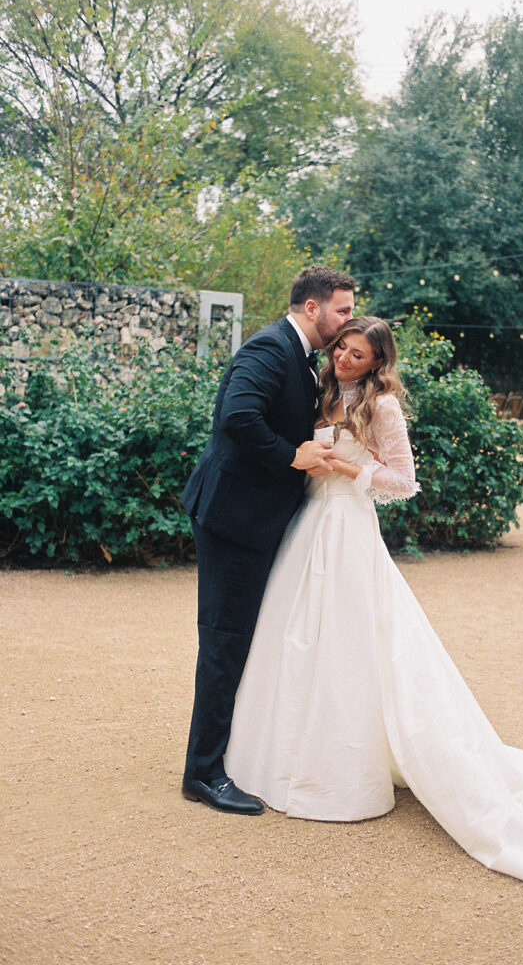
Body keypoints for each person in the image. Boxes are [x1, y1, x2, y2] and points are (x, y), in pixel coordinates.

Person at [225, 316, 523, 894]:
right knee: (293, 635)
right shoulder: (318, 386)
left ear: (376, 362)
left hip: (348, 525)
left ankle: (342, 769)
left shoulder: (382, 406)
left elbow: (402, 480)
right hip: (308, 524)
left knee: (350, 643)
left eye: (357, 354)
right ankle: (279, 757)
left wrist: (342, 466)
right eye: (342, 346)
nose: (344, 357)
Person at [180, 266, 355, 813]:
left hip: (254, 516)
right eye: (342, 311)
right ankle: (203, 774)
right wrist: (291, 454)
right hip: (234, 518)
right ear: (312, 308)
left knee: (240, 637)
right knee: (225, 639)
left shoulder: (297, 353)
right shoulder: (268, 348)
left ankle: (225, 752)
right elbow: (236, 416)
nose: (349, 320)